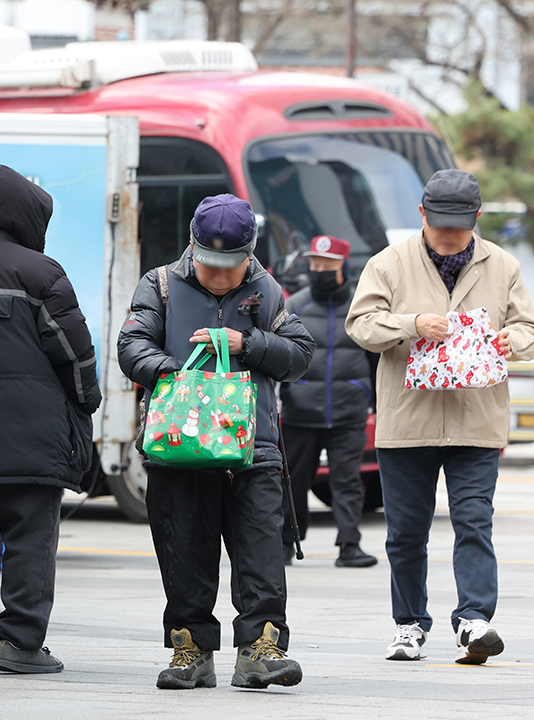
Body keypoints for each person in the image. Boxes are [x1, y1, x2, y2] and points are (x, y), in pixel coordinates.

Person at [117, 193, 314, 690]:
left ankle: (260, 649)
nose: (220, 275)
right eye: (209, 264)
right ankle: (191, 650)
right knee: (184, 552)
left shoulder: (266, 290)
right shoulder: (159, 284)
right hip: (180, 449)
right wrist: (178, 375)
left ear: (250, 253)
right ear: (192, 247)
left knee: (262, 555)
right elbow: (131, 345)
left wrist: (246, 345)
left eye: (231, 265)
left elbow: (301, 353)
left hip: (256, 451)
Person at [347, 169, 534, 664]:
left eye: (461, 224)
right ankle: (408, 624)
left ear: (477, 217)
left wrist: (508, 341)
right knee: (406, 531)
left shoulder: (505, 265)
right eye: (440, 223)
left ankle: (475, 621)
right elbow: (360, 325)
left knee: (475, 522)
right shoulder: (389, 263)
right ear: (422, 214)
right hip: (407, 423)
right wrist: (411, 325)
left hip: (477, 420)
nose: (449, 235)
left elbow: (526, 326)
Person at [0, 165, 101, 676]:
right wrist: (86, 403)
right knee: (30, 538)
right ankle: (21, 642)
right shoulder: (41, 273)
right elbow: (75, 356)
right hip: (30, 438)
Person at [280, 235, 378, 568]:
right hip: (300, 408)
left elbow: (376, 357)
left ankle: (350, 544)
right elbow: (282, 352)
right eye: (315, 263)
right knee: (293, 478)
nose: (319, 269)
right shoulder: (295, 305)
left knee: (348, 480)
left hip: (349, 408)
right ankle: (286, 543)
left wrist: (372, 398)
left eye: (328, 264)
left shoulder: (361, 307)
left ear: (344, 266)